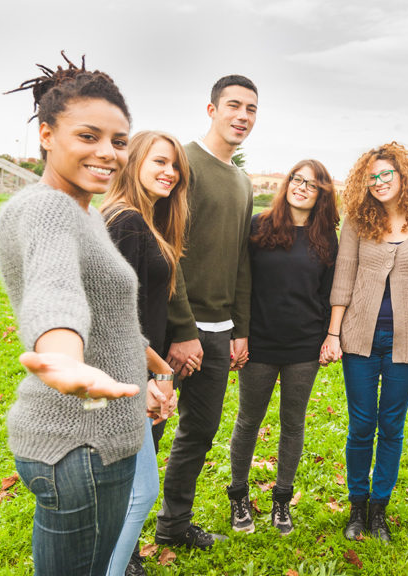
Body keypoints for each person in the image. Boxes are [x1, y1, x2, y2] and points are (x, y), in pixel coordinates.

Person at [0, 54, 149, 575]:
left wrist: (153, 364)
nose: (108, 153)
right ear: (46, 135)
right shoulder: (47, 209)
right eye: (89, 136)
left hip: (103, 436)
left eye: (119, 141)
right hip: (78, 443)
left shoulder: (85, 212)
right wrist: (64, 355)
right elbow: (54, 288)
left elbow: (107, 311)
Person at [321, 142, 408, 542]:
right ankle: (356, 508)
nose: (378, 182)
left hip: (405, 340)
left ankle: (379, 510)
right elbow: (343, 277)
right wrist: (334, 333)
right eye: (371, 177)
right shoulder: (357, 224)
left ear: (402, 176)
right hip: (359, 337)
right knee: (361, 425)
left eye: (385, 175)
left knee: (391, 424)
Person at [154, 74, 257, 550]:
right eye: (233, 105)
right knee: (147, 432)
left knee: (199, 432)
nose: (242, 116)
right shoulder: (183, 164)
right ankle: (126, 543)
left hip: (219, 334)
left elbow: (240, 260)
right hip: (170, 330)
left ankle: (173, 525)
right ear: (212, 110)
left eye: (251, 109)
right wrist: (181, 328)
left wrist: (239, 328)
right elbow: (164, 251)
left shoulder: (241, 180)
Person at [226, 160, 339, 536]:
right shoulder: (259, 226)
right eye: (297, 179)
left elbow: (326, 296)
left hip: (303, 348)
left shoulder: (327, 239)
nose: (302, 187)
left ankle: (281, 500)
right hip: (259, 343)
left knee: (293, 425)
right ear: (287, 183)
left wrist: (327, 337)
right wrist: (238, 332)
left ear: (322, 193)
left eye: (312, 184)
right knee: (248, 420)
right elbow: (241, 283)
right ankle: (238, 496)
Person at [101, 131, 188, 576]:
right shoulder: (126, 222)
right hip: (122, 374)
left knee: (133, 491)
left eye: (175, 165)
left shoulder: (146, 220)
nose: (169, 172)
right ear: (134, 162)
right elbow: (112, 316)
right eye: (159, 161)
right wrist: (159, 373)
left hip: (135, 371)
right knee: (136, 493)